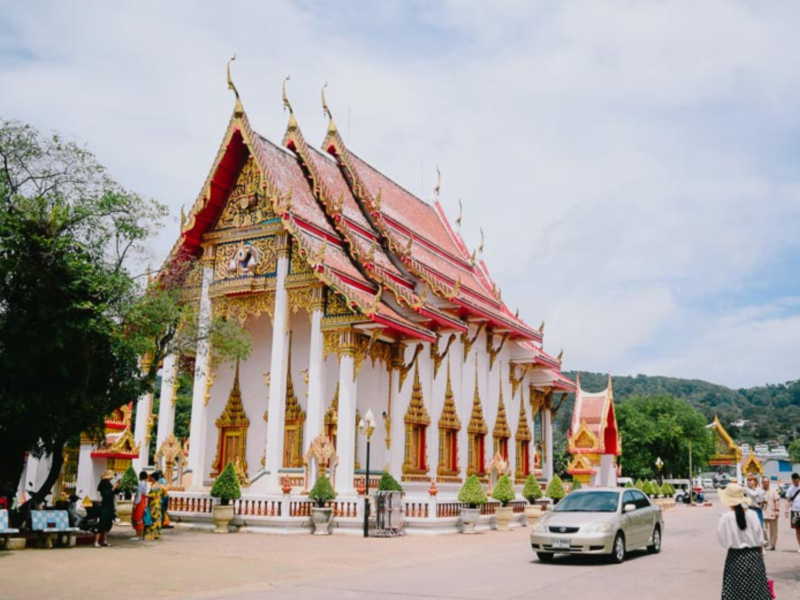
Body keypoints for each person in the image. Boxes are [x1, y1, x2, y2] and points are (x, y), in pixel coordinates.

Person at [717, 483, 771, 600]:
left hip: (735, 559)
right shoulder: (753, 514)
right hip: (754, 557)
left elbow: (723, 541)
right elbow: (760, 539)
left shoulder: (725, 517)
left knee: (736, 593)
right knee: (757, 593)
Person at [95, 470, 120, 548]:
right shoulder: (103, 485)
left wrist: (118, 486)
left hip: (110, 505)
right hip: (105, 505)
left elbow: (116, 492)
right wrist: (113, 488)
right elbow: (107, 494)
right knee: (102, 522)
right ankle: (96, 541)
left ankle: (104, 540)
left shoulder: (108, 484)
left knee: (108, 523)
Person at [761, 477, 780, 551]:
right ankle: (765, 543)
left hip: (772, 512)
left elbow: (777, 501)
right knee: (763, 530)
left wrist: (777, 510)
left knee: (774, 531)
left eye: (768, 482)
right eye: (765, 482)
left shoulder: (773, 491)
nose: (766, 483)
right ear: (762, 483)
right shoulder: (760, 491)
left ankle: (772, 545)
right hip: (762, 513)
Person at [130, 471, 149, 541]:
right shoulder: (145, 483)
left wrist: (135, 504)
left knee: (137, 517)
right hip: (143, 501)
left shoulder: (141, 484)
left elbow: (139, 495)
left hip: (140, 501)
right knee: (141, 518)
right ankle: (140, 535)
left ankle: (138, 535)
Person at [144, 472, 162, 541]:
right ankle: (157, 534)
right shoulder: (158, 485)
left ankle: (152, 535)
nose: (150, 478)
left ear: (154, 478)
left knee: (153, 519)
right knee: (157, 519)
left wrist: (145, 495)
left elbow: (153, 495)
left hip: (154, 505)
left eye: (151, 477)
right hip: (158, 504)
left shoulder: (155, 486)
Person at [785, 472, 800, 553]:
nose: (795, 483)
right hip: (794, 511)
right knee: (797, 530)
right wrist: (786, 511)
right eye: (794, 481)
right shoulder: (790, 489)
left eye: (797, 481)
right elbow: (788, 501)